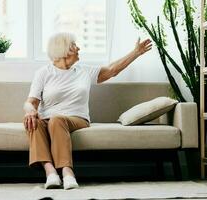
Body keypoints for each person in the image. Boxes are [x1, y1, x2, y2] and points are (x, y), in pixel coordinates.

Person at [23, 32, 152, 190]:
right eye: (74, 45)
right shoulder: (44, 73)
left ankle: (67, 172)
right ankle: (50, 173)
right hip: (47, 119)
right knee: (32, 122)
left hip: (76, 119)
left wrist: (135, 53)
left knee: (56, 119)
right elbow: (31, 103)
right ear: (65, 50)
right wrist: (30, 111)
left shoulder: (84, 71)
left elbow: (112, 70)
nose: (78, 48)